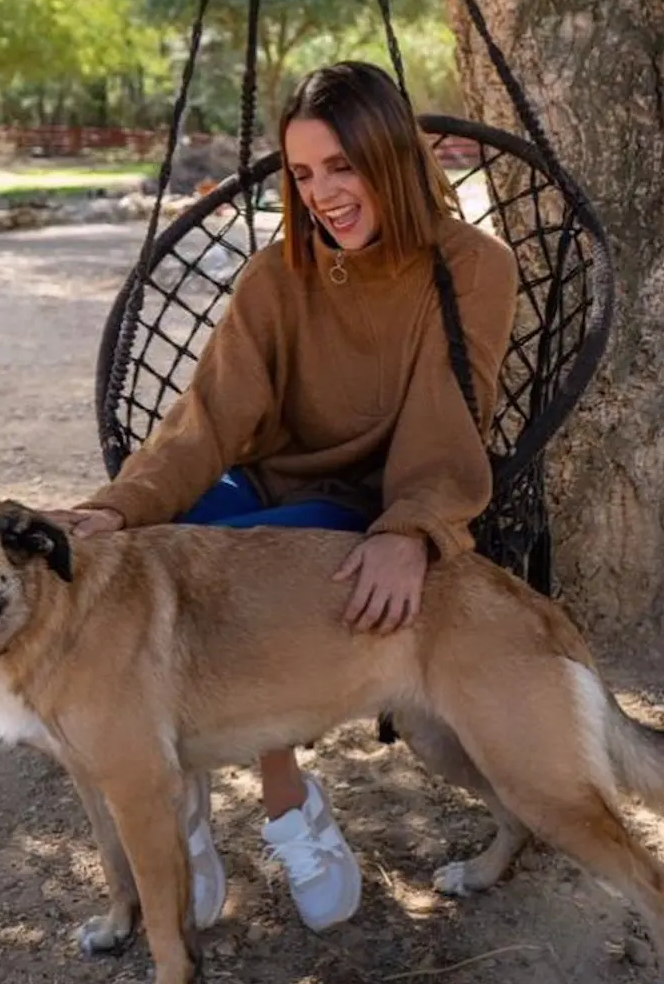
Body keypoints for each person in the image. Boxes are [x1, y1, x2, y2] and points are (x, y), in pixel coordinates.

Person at [63, 61, 518, 934]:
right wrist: (122, 505)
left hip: (369, 503)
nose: (322, 196)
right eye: (303, 175)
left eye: (341, 167)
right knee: (155, 560)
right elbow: (208, 418)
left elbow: (443, 419)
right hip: (267, 488)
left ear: (389, 158)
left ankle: (282, 800)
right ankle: (178, 806)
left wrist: (413, 530)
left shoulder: (470, 267)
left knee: (242, 583)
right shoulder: (278, 274)